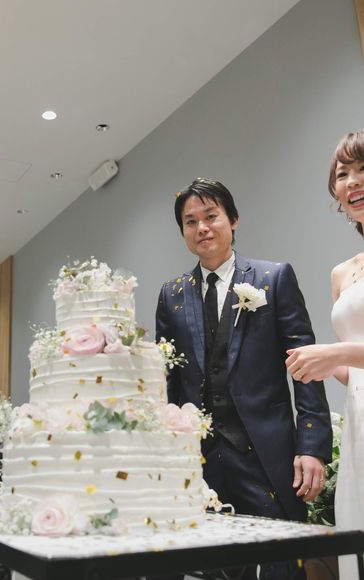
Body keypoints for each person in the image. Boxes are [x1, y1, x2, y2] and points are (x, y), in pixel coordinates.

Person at [155, 178, 332, 579]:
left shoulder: (274, 277)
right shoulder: (171, 295)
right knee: (211, 566)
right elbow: (166, 382)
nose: (202, 227)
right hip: (200, 461)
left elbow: (305, 367)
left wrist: (312, 446)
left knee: (281, 564)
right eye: (190, 221)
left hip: (266, 454)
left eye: (211, 216)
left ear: (233, 219)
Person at [285, 130, 364, 580]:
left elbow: (345, 352)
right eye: (343, 174)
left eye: (363, 170)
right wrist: (323, 364)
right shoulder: (342, 273)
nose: (353, 181)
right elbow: (353, 372)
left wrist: (335, 352)